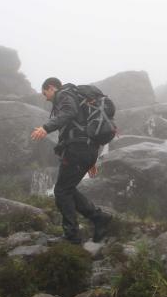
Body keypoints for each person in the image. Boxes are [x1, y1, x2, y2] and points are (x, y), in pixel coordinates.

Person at [31, 77, 111, 244]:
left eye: (45, 93)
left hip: (77, 151)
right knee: (67, 189)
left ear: (52, 87)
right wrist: (92, 161)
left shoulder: (64, 93)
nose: (45, 97)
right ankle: (98, 218)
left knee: (61, 191)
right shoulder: (79, 98)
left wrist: (46, 128)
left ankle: (72, 235)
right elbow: (85, 129)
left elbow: (69, 113)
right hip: (87, 151)